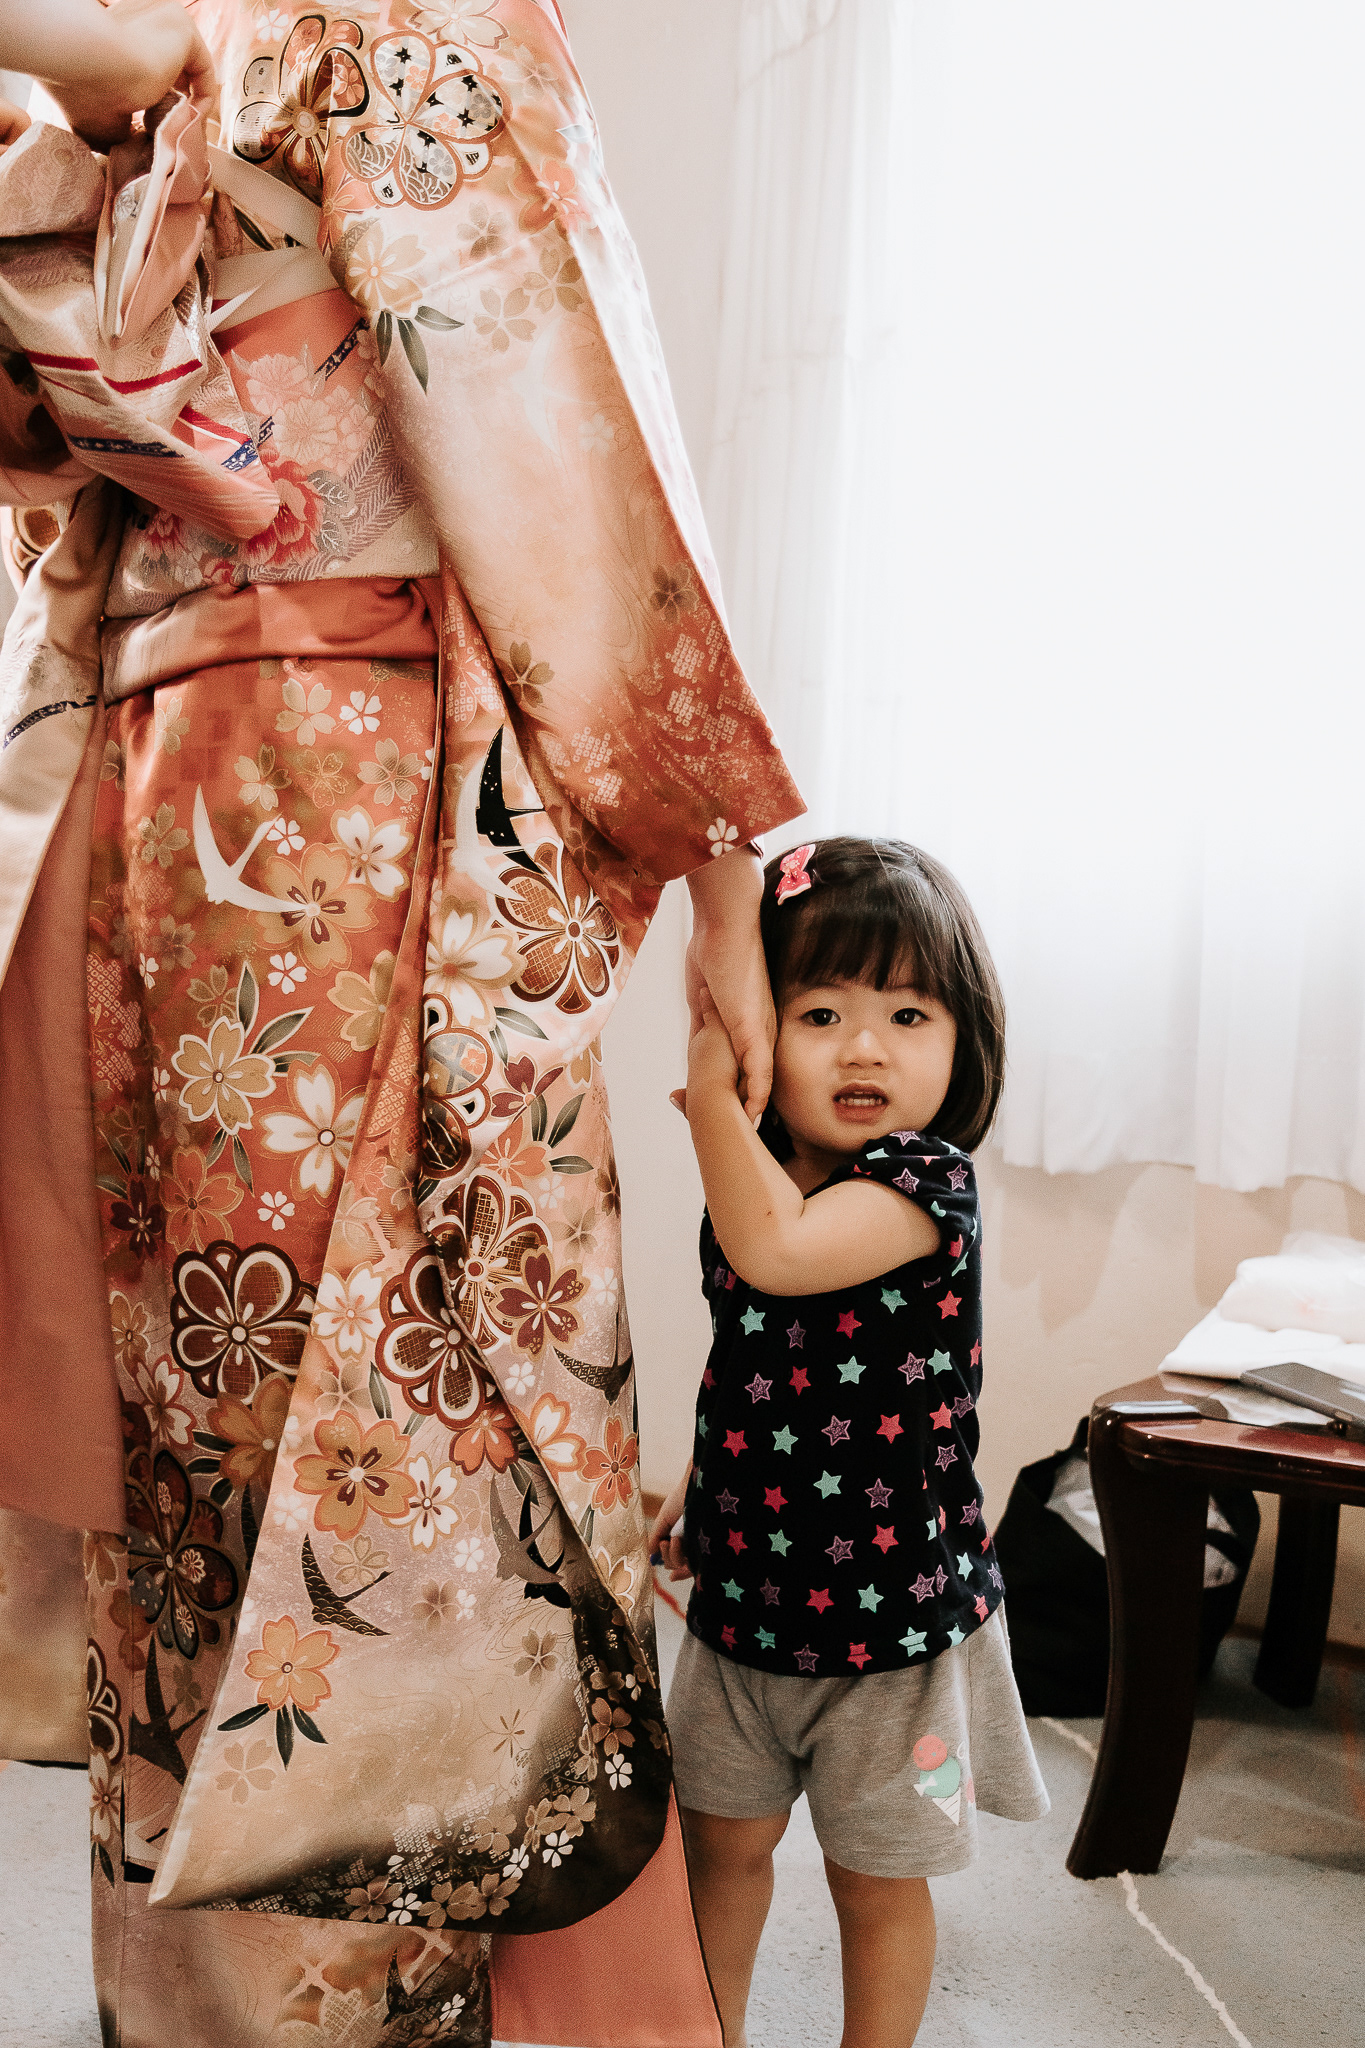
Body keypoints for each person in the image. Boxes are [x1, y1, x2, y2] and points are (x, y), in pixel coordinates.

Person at [0, 2, 802, 2043]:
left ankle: (363, 1987)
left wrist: (722, 857)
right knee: (201, 1421)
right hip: (173, 809)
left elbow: (562, 435)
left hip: (339, 800)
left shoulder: (397, 32)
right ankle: (207, 1994)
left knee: (366, 1401)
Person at [651, 837, 1050, 2048]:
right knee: (719, 1850)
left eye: (907, 1014)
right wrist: (701, 1478)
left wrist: (707, 1083)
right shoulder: (763, 1174)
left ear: (964, 1039)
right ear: (762, 1021)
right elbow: (754, 1355)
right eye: (819, 1012)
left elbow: (779, 1254)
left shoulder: (925, 1182)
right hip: (744, 1605)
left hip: (891, 1623)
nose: (864, 1046)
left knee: (876, 1878)